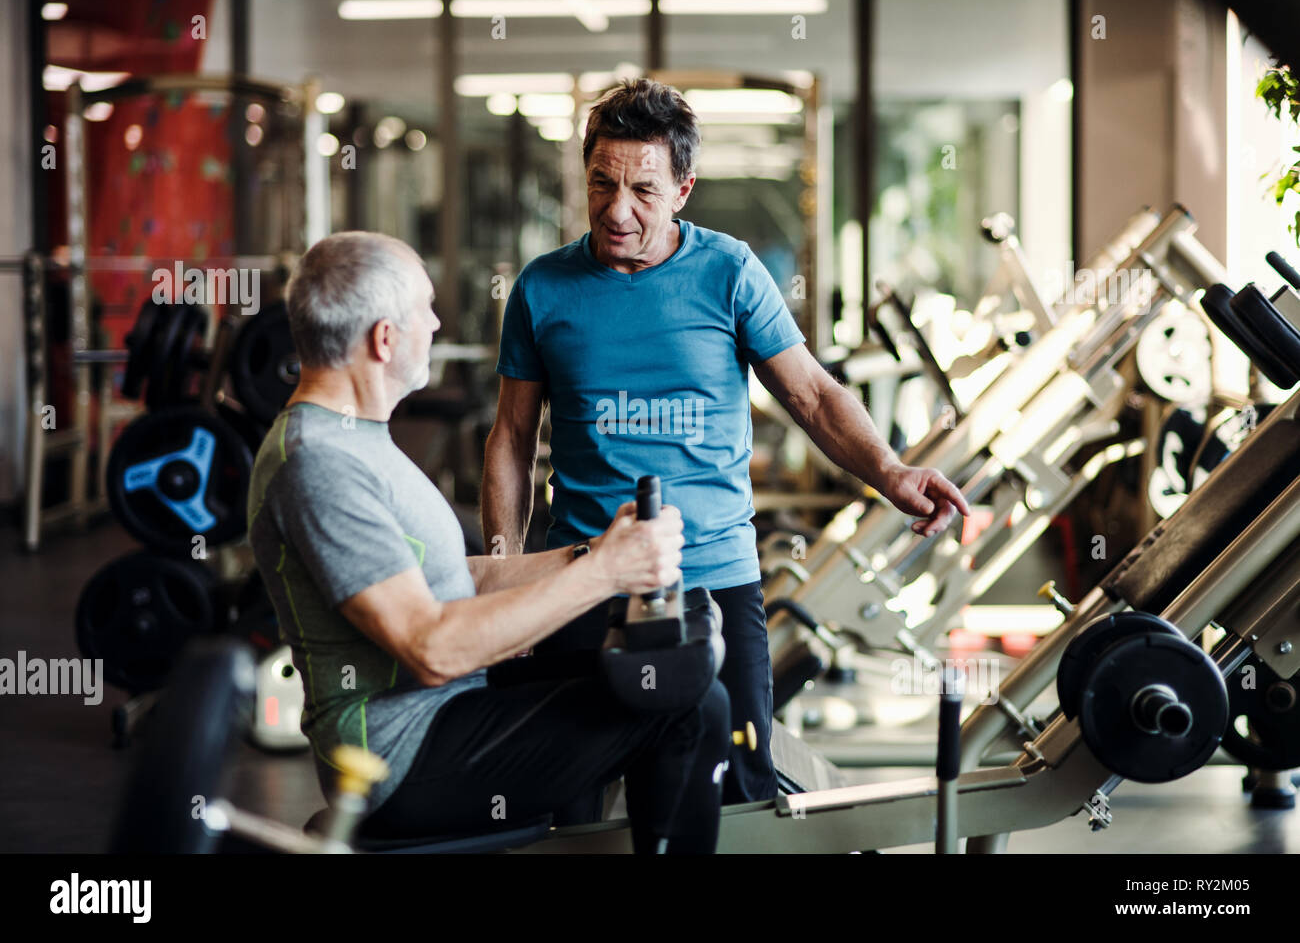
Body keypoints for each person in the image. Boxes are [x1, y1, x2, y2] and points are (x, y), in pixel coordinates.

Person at [484, 78, 970, 807]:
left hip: (711, 579)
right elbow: (512, 438)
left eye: (644, 190)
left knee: (734, 796)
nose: (618, 210)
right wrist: (507, 579)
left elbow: (813, 394)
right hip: (580, 579)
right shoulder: (542, 288)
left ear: (684, 188)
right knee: (564, 803)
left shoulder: (730, 271)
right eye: (601, 184)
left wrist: (890, 471)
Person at [246, 231, 731, 853]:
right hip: (403, 758)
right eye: (425, 308)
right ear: (384, 339)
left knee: (652, 680)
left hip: (443, 719)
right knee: (687, 707)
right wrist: (606, 574)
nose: (438, 322)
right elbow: (430, 649)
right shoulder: (319, 462)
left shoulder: (353, 441)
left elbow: (458, 580)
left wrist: (593, 552)